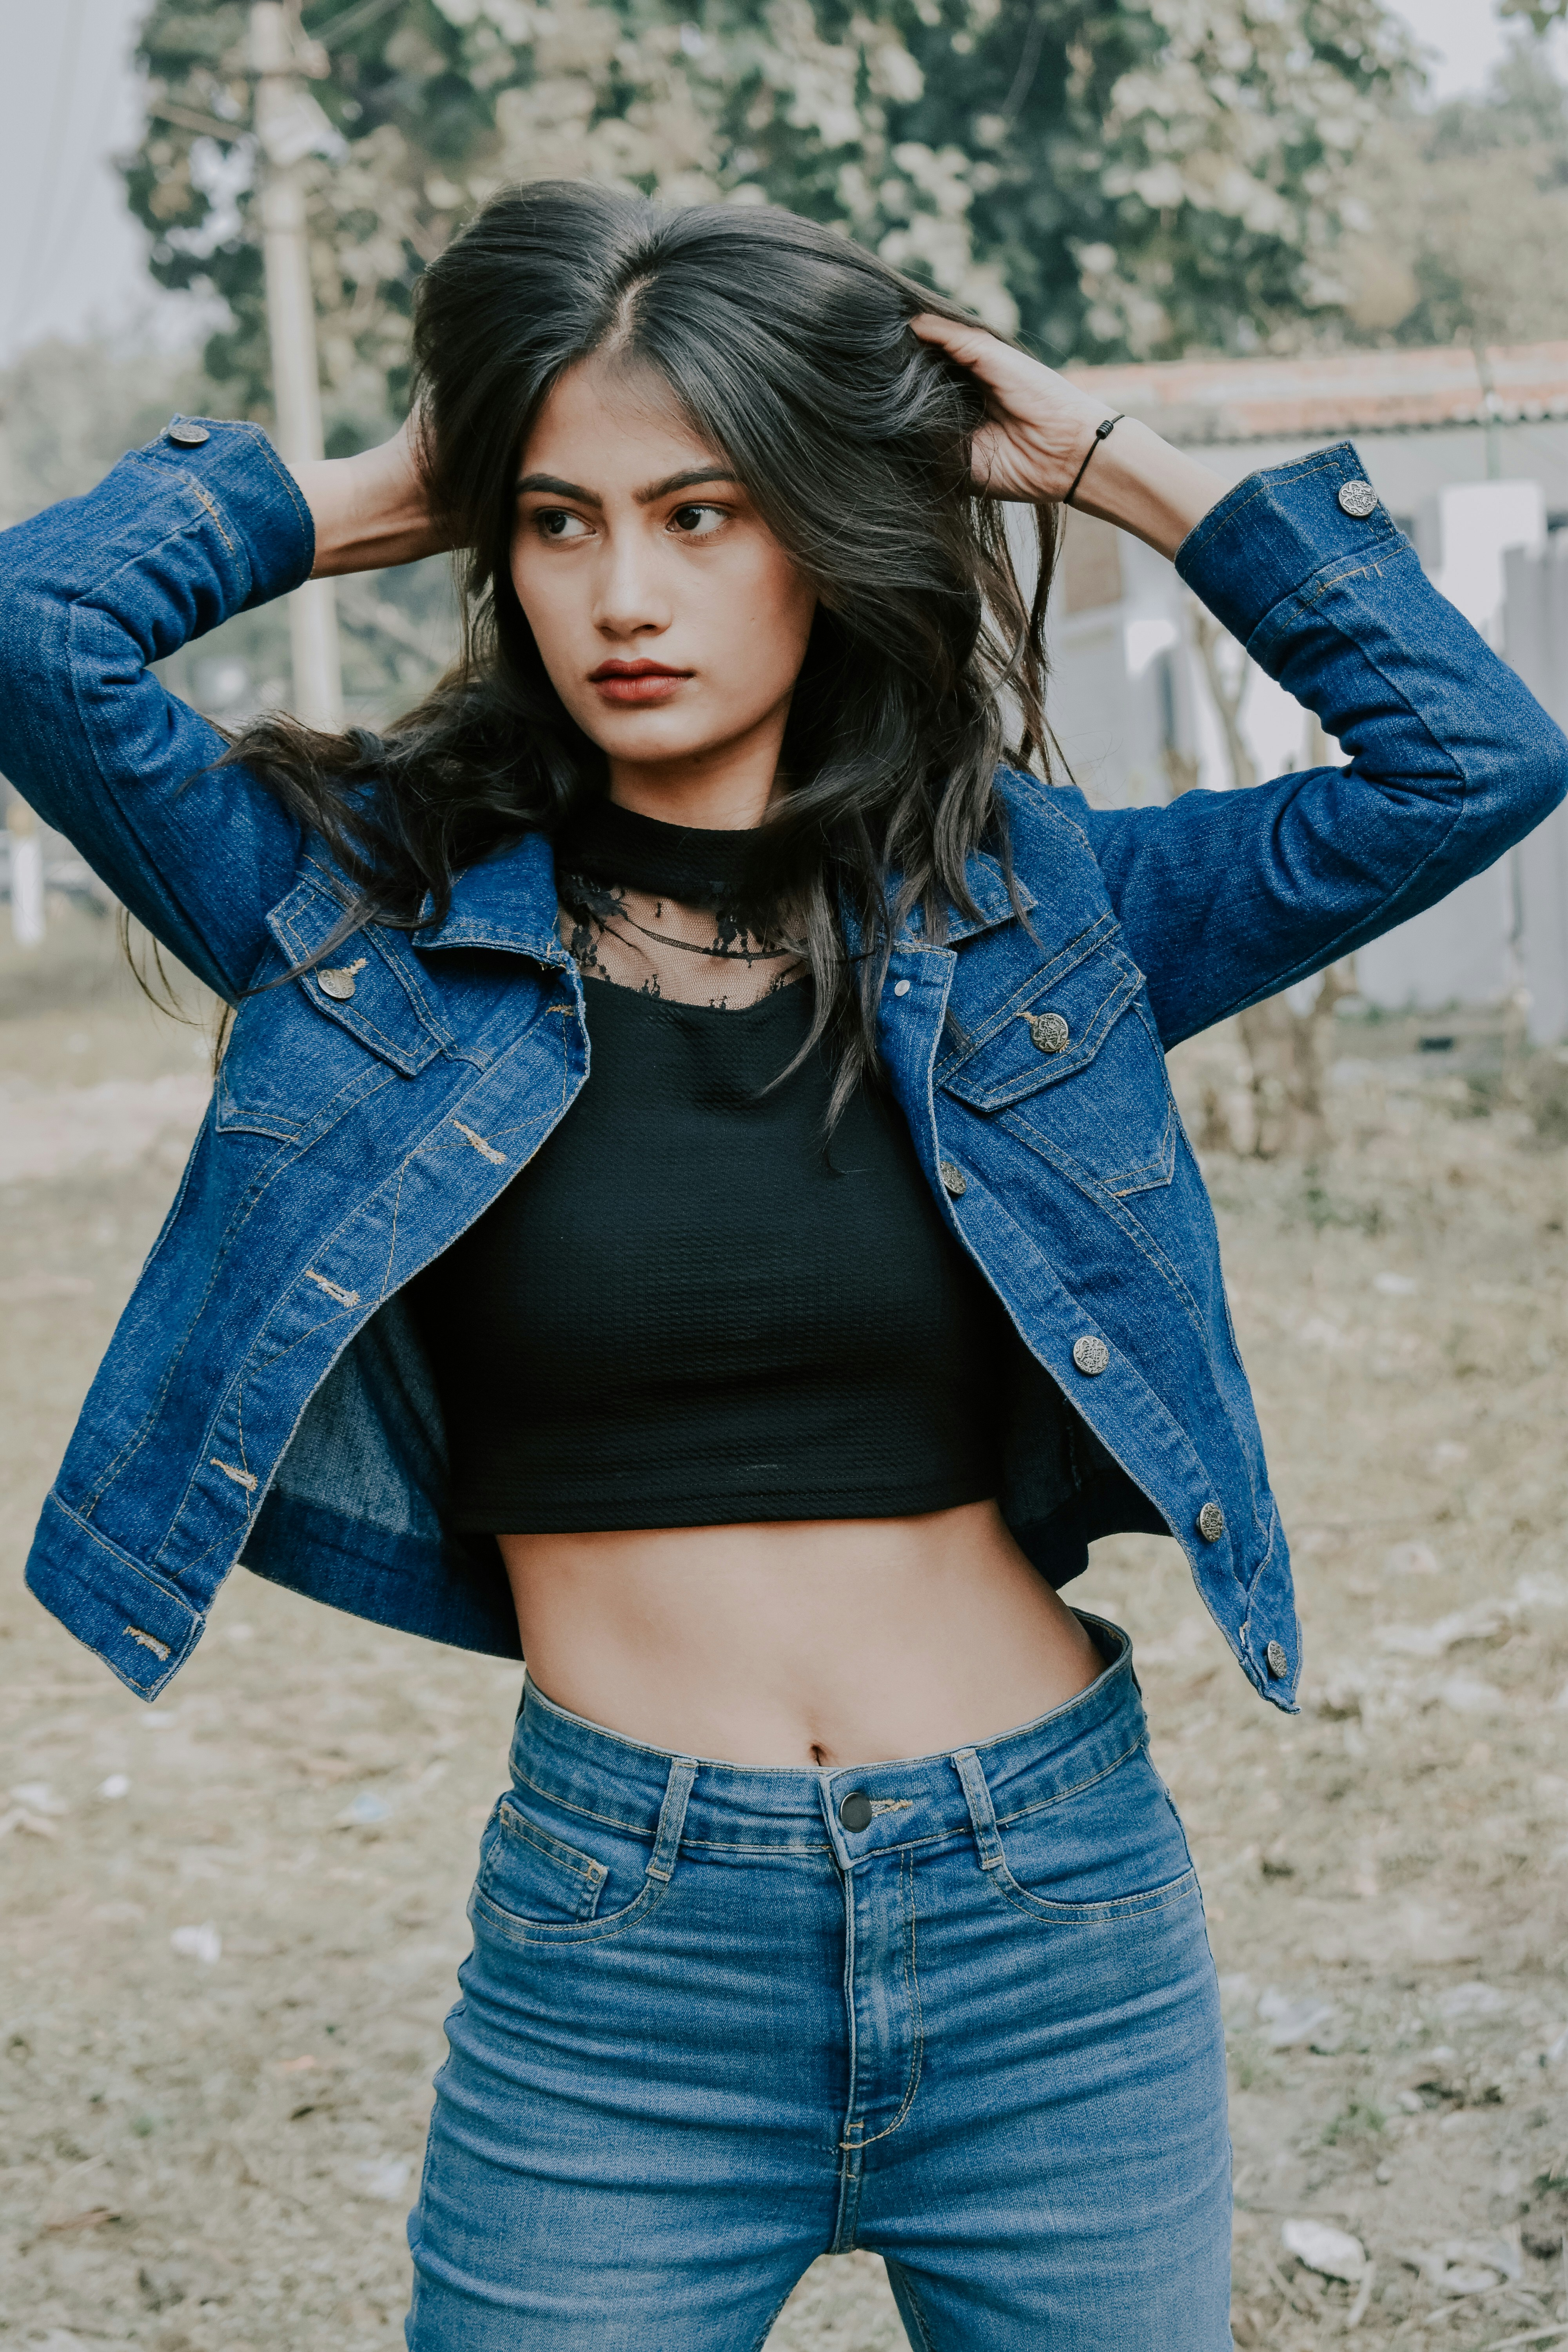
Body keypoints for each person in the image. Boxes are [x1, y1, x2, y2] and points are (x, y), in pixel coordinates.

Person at [2, 181, 1561, 2350]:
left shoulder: (1050, 920)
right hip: (617, 1956)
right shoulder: (361, 914)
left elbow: (1475, 758)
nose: (624, 593)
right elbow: (32, 631)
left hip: (1056, 1925)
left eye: (707, 513)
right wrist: (410, 478)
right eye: (561, 526)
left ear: (825, 531)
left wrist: (1107, 466)